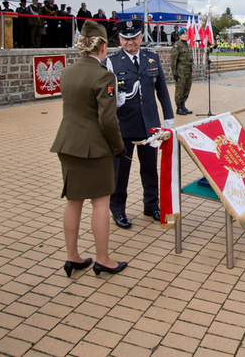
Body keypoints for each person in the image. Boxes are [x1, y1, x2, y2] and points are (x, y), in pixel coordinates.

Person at [50, 20, 128, 277]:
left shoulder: (67, 72)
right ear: (103, 47)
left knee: (73, 201)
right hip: (94, 148)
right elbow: (107, 119)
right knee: (100, 203)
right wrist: (118, 146)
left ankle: (72, 256)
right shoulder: (104, 76)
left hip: (67, 143)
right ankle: (103, 259)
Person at [105, 19, 174, 228]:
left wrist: (168, 118)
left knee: (150, 169)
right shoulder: (112, 62)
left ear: (141, 37)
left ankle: (151, 205)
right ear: (119, 39)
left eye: (134, 38)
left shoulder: (151, 58)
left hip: (149, 126)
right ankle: (118, 210)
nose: (130, 43)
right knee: (120, 172)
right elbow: (106, 94)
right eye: (125, 39)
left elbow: (161, 89)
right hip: (123, 125)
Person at [171, 28, 194, 115]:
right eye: (184, 34)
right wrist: (174, 73)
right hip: (181, 71)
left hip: (188, 71)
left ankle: (183, 105)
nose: (186, 35)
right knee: (180, 89)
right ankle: (178, 108)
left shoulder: (187, 45)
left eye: (187, 34)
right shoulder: (177, 45)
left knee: (186, 89)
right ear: (180, 36)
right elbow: (173, 60)